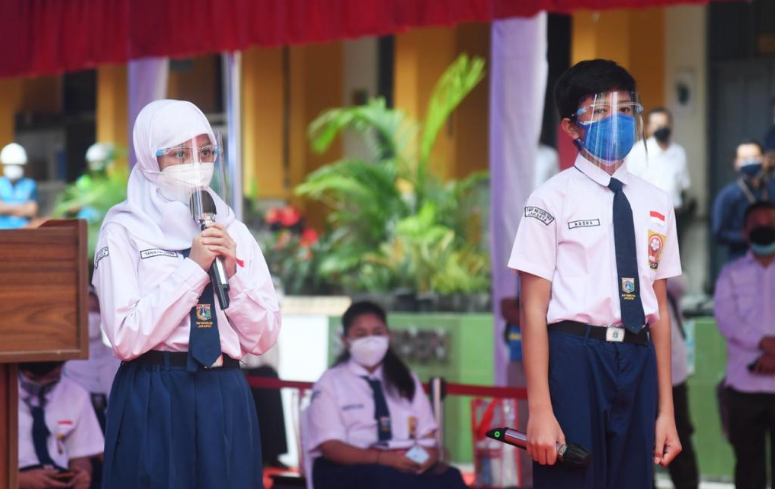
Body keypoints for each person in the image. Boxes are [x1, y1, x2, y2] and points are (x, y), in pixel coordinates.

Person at [509, 59, 682, 489]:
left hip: (638, 358)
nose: (618, 121)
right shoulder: (549, 200)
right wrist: (541, 410)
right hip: (574, 358)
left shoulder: (656, 202)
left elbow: (657, 307)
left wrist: (666, 411)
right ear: (571, 128)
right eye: (601, 111)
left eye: (626, 109)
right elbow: (533, 310)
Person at [93, 99, 281, 489]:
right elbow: (125, 336)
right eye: (179, 152)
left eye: (205, 150)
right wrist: (193, 269)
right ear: (150, 157)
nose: (195, 162)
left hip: (224, 389)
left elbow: (262, 338)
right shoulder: (124, 230)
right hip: (153, 389)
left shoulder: (232, 230)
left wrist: (233, 278)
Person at [303, 301, 467, 489]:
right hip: (352, 467)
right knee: (387, 480)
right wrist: (382, 459)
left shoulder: (405, 379)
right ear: (346, 340)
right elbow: (331, 447)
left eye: (377, 333)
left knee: (451, 478)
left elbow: (427, 438)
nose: (371, 340)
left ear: (388, 335)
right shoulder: (330, 383)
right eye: (361, 334)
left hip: (401, 463)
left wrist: (421, 460)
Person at [714, 200, 775, 489]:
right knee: (749, 470)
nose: (766, 229)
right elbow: (727, 319)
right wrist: (764, 342)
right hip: (744, 387)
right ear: (745, 232)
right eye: (758, 225)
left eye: (771, 224)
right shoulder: (731, 273)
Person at [18, 361, 104, 489]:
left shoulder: (75, 393)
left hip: (59, 477)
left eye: (51, 379)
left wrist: (81, 474)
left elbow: (80, 455)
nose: (43, 383)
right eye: (34, 378)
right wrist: (20, 480)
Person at [63, 286, 121, 433]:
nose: (92, 317)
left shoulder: (117, 357)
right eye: (86, 312)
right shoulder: (65, 363)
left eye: (95, 310)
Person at [662, 276, 699, 489]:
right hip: (635, 376)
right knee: (638, 441)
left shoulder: (668, 286)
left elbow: (681, 283)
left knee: (680, 434)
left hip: (673, 375)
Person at [712, 140, 775, 262]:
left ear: (764, 159)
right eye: (745, 158)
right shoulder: (727, 196)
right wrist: (748, 237)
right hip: (741, 261)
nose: (750, 162)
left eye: (755, 157)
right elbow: (719, 233)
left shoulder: (772, 190)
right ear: (736, 163)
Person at [626, 107, 691, 211]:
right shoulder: (638, 152)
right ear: (649, 128)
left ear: (671, 125)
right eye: (657, 125)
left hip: (674, 212)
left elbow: (684, 185)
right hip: (646, 212)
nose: (662, 128)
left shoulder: (679, 152)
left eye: (665, 124)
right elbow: (629, 185)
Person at [0, 142, 38, 229]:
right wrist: (22, 208)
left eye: (17, 165)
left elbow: (32, 210)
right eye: (10, 165)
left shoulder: (29, 184)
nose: (13, 168)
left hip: (23, 231)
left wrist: (5, 207)